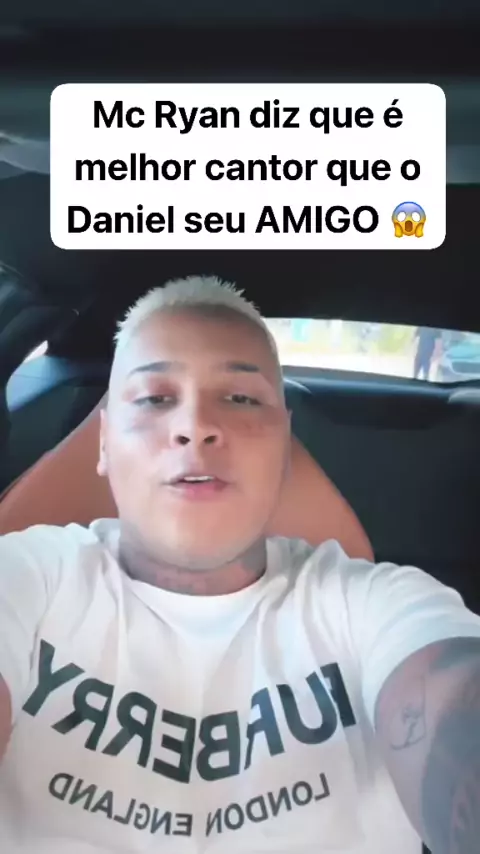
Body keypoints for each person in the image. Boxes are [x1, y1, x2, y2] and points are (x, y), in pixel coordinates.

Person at [0, 275, 480, 854]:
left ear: (285, 445)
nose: (195, 426)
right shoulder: (24, 576)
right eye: (154, 398)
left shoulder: (377, 607)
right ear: (103, 444)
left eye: (241, 398)